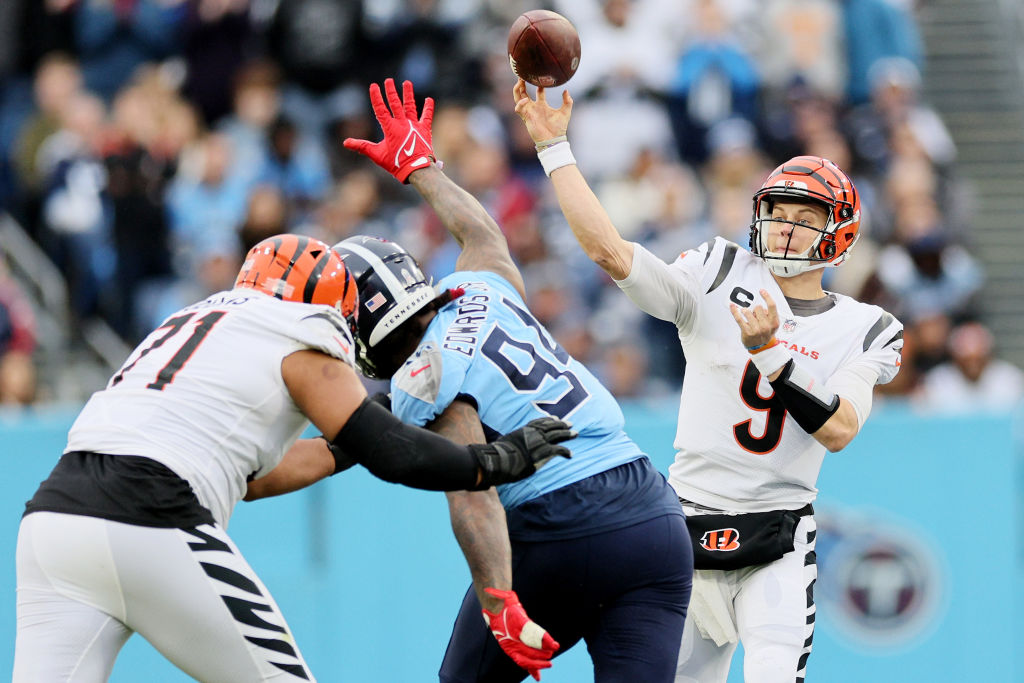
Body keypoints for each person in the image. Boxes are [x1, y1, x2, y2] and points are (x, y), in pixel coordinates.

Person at [14, 233, 574, 683]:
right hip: (149, 514)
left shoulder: (192, 322)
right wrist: (494, 461)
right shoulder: (298, 329)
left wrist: (347, 446)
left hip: (55, 522)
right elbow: (392, 454)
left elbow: (254, 477)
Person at [512, 79, 904, 683]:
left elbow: (841, 428)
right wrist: (554, 148)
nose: (786, 228)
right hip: (683, 530)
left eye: (806, 218)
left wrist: (771, 355)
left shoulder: (866, 327)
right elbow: (613, 254)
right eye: (778, 212)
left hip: (776, 537)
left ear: (839, 234)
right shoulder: (720, 270)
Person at [337, 78, 692, 683]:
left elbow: (471, 486)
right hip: (650, 515)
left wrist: (498, 599)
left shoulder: (424, 374)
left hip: (558, 525)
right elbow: (481, 235)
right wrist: (421, 169)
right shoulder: (478, 290)